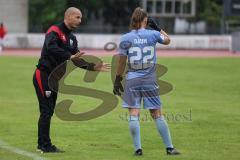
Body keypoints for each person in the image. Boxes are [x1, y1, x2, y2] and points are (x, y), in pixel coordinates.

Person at [33, 7, 110, 153]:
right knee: (46, 111)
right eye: (77, 17)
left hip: (54, 79)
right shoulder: (54, 31)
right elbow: (50, 48)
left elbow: (77, 60)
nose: (80, 21)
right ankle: (44, 145)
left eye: (80, 18)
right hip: (43, 75)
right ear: (67, 17)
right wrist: (69, 56)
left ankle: (43, 144)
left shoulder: (72, 39)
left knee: (48, 111)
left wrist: (93, 67)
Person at [113, 7, 180, 156]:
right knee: (157, 113)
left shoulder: (125, 38)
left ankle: (138, 149)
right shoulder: (153, 34)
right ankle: (169, 148)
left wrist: (118, 80)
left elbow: (121, 62)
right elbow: (168, 41)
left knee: (133, 113)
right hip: (149, 79)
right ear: (145, 20)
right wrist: (159, 28)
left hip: (132, 79)